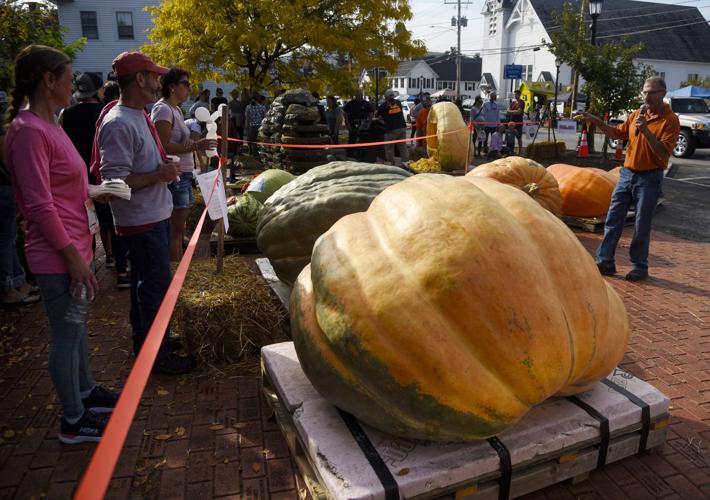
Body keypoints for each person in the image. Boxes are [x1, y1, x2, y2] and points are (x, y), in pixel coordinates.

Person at [5, 45, 118, 443]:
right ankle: (73, 419)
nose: (74, 84)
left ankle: (85, 393)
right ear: (48, 81)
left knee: (78, 329)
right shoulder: (28, 132)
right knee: (66, 336)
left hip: (75, 247)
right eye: (68, 78)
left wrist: (97, 190)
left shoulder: (50, 125)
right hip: (58, 257)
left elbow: (62, 187)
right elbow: (39, 204)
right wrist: (72, 258)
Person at [97, 51, 193, 374]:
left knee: (147, 285)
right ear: (139, 79)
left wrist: (159, 169)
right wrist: (158, 175)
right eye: (153, 76)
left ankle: (150, 342)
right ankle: (158, 354)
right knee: (155, 287)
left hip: (152, 216)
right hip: (140, 221)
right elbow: (114, 184)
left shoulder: (137, 115)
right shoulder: (119, 122)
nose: (158, 82)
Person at [577, 76, 680, 281]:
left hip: (650, 178)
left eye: (651, 92)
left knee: (641, 225)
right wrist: (595, 120)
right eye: (644, 92)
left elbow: (663, 153)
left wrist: (646, 131)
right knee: (613, 220)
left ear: (663, 94)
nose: (646, 96)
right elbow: (617, 134)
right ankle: (605, 261)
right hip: (627, 174)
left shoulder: (670, 120)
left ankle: (639, 267)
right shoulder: (636, 114)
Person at [61, 73, 129, 289]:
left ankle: (89, 268)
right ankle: (122, 272)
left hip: (79, 178)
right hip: (105, 174)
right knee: (115, 222)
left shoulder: (66, 114)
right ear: (99, 91)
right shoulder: (106, 112)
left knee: (86, 223)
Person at [151, 68, 216, 261]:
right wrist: (196, 145)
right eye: (185, 84)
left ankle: (177, 272)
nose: (189, 88)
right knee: (175, 231)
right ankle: (174, 276)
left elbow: (183, 144)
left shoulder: (176, 109)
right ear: (172, 87)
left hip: (184, 174)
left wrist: (201, 139)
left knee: (179, 230)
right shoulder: (163, 109)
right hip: (176, 176)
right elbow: (162, 147)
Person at [1, 123, 40, 305]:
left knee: (9, 237)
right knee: (5, 239)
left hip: (8, 189)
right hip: (6, 189)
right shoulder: (9, 130)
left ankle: (18, 281)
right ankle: (8, 286)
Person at [376, 89, 408, 165]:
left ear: (386, 97)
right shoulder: (398, 102)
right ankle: (406, 163)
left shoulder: (383, 105)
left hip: (391, 129)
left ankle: (391, 164)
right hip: (402, 127)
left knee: (389, 147)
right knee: (402, 147)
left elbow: (377, 115)